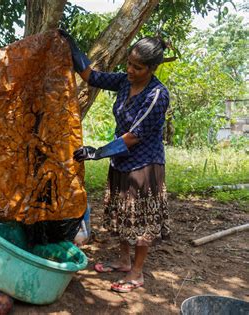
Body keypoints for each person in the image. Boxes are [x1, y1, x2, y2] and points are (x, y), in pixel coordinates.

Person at [60, 30, 170, 293]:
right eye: (129, 63)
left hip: (144, 165)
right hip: (120, 161)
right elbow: (92, 77)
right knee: (122, 213)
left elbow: (134, 137)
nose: (130, 70)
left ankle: (137, 272)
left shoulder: (157, 95)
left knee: (141, 219)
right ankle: (123, 261)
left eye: (137, 67)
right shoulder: (124, 82)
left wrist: (97, 152)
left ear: (152, 68)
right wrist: (72, 47)